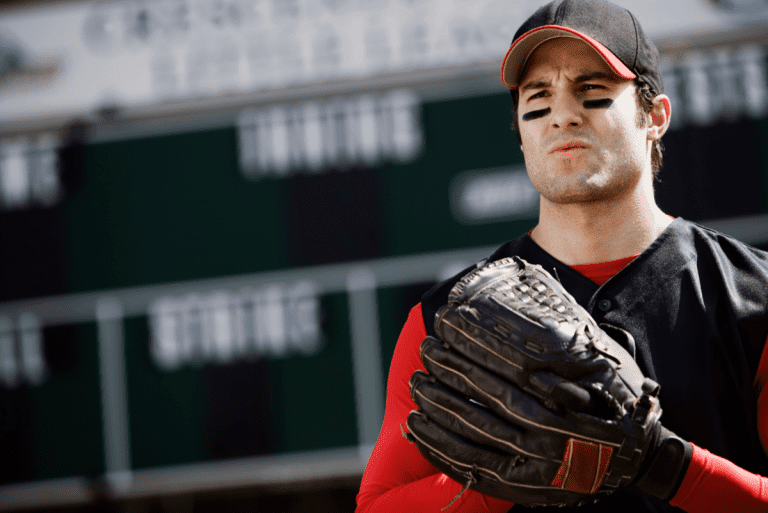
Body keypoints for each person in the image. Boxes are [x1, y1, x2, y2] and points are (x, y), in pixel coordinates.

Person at [355, 0, 768, 511]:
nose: (562, 115)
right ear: (521, 132)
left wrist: (663, 465)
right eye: (538, 97)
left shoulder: (751, 295)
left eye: (592, 91)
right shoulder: (448, 317)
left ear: (655, 116)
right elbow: (377, 505)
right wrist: (509, 477)